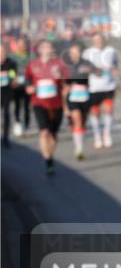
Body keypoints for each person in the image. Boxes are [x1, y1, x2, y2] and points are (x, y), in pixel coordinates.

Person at [24, 40, 70, 175]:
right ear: (39, 50)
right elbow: (27, 81)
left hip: (56, 103)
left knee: (53, 134)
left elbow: (66, 83)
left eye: (49, 47)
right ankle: (48, 161)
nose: (47, 49)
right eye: (44, 47)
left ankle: (51, 155)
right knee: (44, 132)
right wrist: (29, 88)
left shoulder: (60, 64)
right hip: (39, 102)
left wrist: (64, 85)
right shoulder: (32, 65)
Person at [82, 33, 118, 149]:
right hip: (94, 87)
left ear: (104, 40)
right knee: (95, 113)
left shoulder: (111, 51)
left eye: (100, 39)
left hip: (108, 86)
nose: (98, 42)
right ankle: (97, 135)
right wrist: (92, 70)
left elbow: (115, 64)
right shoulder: (87, 53)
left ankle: (106, 133)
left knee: (108, 110)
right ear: (92, 41)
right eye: (96, 40)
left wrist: (114, 70)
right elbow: (82, 68)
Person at [65, 43, 96, 161]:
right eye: (72, 53)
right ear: (69, 54)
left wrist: (92, 70)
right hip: (72, 96)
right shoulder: (66, 65)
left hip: (85, 96)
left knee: (82, 123)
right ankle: (79, 149)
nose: (75, 55)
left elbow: (98, 72)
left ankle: (79, 143)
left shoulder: (86, 63)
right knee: (77, 120)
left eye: (77, 52)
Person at [11, 36, 31, 137]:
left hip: (27, 84)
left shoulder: (31, 56)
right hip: (16, 85)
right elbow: (9, 70)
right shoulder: (12, 57)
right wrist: (13, 77)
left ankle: (27, 126)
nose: (22, 46)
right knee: (17, 105)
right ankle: (17, 122)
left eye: (24, 44)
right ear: (17, 45)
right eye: (20, 44)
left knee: (27, 106)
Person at [1, 43, 17, 147]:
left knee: (6, 114)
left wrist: (12, 79)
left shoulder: (11, 63)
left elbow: (12, 75)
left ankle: (6, 138)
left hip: (6, 92)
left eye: (2, 53)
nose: (1, 55)